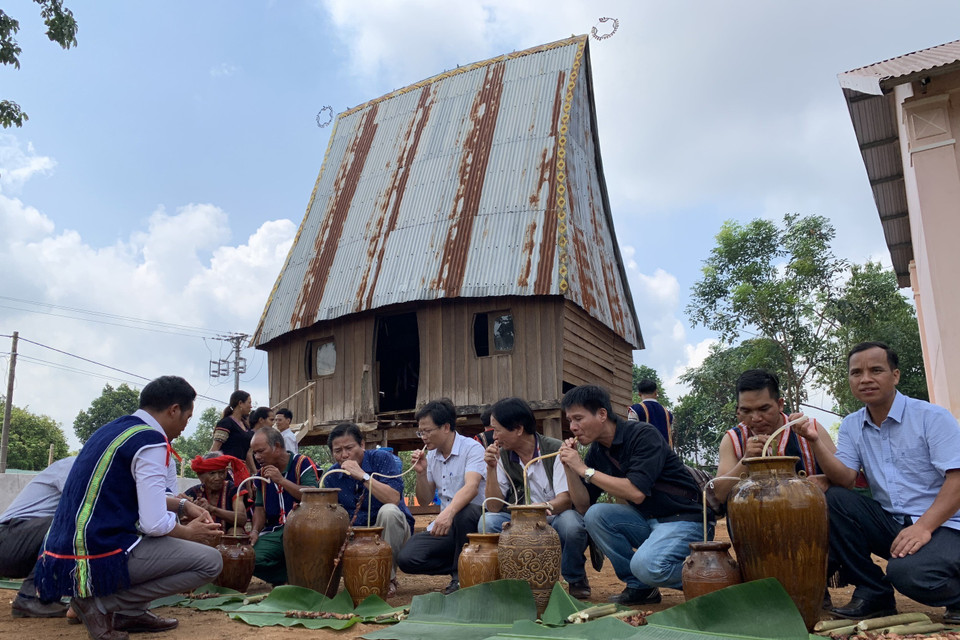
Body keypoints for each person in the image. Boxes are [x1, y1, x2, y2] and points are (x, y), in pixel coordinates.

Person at [35, 376, 222, 640]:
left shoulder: (112, 430)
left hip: (61, 548)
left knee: (152, 539)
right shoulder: (151, 440)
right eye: (187, 418)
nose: (184, 427)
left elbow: (126, 494)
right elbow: (153, 523)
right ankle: (101, 606)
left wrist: (182, 504)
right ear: (174, 409)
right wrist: (190, 533)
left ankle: (131, 612)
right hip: (95, 550)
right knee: (210, 562)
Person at [793, 342, 960, 623]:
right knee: (833, 498)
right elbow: (844, 478)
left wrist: (923, 527)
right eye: (856, 373)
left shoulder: (931, 417)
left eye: (876, 370)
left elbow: (957, 480)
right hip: (893, 524)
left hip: (946, 525)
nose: (865, 378)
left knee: (909, 574)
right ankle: (874, 593)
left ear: (895, 375)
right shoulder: (851, 425)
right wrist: (814, 440)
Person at [558, 384, 710, 606]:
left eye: (578, 419)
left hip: (685, 520)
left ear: (602, 414)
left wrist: (584, 470)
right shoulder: (598, 452)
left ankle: (716, 576)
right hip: (650, 521)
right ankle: (641, 587)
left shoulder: (642, 435)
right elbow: (582, 506)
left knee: (648, 567)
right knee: (596, 514)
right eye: (570, 420)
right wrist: (570, 469)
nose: (573, 427)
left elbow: (635, 493)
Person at [478, 397, 591, 599]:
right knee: (488, 521)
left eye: (497, 430)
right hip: (518, 521)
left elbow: (565, 500)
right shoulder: (502, 456)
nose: (494, 436)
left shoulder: (555, 450)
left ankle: (575, 578)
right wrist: (491, 469)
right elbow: (494, 507)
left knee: (572, 525)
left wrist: (541, 508)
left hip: (553, 516)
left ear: (518, 429)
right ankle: (512, 579)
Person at [396, 398, 485, 595]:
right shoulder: (432, 456)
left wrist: (448, 513)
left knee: (466, 512)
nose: (423, 437)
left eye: (427, 431)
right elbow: (425, 499)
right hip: (447, 527)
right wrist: (420, 473)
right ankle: (466, 561)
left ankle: (459, 578)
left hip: (473, 524)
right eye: (421, 432)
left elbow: (472, 488)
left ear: (446, 427)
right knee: (407, 558)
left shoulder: (472, 448)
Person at [323, 423, 414, 597]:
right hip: (355, 537)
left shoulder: (382, 459)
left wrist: (363, 476)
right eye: (338, 451)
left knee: (389, 511)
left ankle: (386, 578)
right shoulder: (332, 476)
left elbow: (394, 498)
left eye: (349, 448)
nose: (344, 455)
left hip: (392, 532)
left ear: (362, 445)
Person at [715, 369, 834, 500]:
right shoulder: (733, 440)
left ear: (780, 404)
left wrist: (827, 479)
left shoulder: (809, 429)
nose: (756, 418)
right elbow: (719, 494)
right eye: (746, 411)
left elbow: (847, 477)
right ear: (738, 410)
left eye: (764, 409)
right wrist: (746, 459)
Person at [0, 456, 76, 618]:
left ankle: (48, 598)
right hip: (7, 541)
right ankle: (31, 598)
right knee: (75, 524)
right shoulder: (73, 465)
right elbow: (81, 504)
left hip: (21, 546)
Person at [248, 426, 319, 586]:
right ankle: (289, 575)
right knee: (249, 558)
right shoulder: (260, 475)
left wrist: (281, 480)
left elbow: (313, 495)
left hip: (303, 529)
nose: (257, 457)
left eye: (261, 451)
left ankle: (298, 575)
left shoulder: (302, 463)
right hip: (275, 531)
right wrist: (254, 531)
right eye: (255, 453)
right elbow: (259, 508)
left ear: (278, 447)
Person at [185, 452, 249, 533]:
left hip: (227, 537)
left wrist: (211, 509)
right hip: (203, 537)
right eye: (212, 473)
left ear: (226, 472)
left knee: (236, 531)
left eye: (221, 473)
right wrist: (186, 505)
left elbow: (242, 519)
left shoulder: (233, 489)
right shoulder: (194, 492)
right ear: (200, 476)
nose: (217, 478)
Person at [211, 390, 256, 475]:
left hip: (241, 471)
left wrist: (254, 472)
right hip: (226, 471)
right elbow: (215, 448)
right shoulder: (226, 423)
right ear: (240, 403)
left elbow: (247, 453)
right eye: (249, 403)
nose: (251, 406)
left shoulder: (246, 426)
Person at [627, 379, 674, 448]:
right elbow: (671, 434)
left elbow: (631, 433)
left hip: (645, 454)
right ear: (655, 393)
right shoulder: (668, 413)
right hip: (665, 455)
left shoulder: (635, 409)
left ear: (639, 394)